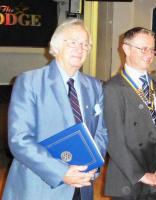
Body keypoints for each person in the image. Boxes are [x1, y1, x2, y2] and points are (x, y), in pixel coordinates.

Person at [3, 19, 108, 200]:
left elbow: (101, 132)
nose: (80, 48)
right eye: (73, 42)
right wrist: (61, 172)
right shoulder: (29, 82)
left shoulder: (94, 86)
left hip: (82, 186)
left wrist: (92, 166)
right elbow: (19, 140)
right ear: (56, 45)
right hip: (40, 187)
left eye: (85, 44)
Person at [104, 27, 156, 200]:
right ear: (126, 49)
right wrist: (142, 176)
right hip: (129, 180)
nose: (149, 54)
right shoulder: (112, 89)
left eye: (152, 49)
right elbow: (114, 141)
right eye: (143, 48)